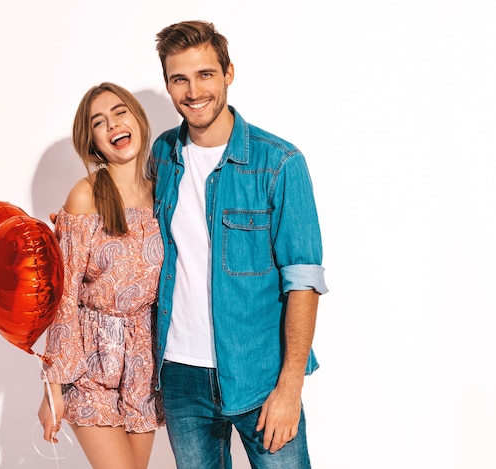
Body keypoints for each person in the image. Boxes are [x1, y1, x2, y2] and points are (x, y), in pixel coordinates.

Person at [151, 21, 328, 468]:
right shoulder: (162, 157)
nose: (194, 91)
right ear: (168, 85)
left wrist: (290, 388)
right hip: (180, 376)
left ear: (229, 73)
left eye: (205, 74)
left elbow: (303, 282)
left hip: (262, 375)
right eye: (180, 79)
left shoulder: (280, 163)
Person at [37, 82, 164, 469]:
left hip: (144, 364)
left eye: (120, 112)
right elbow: (62, 297)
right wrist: (52, 388)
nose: (113, 125)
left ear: (138, 119)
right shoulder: (86, 196)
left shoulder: (164, 192)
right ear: (91, 141)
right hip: (90, 363)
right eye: (99, 122)